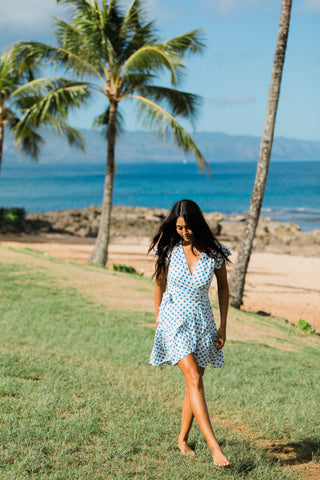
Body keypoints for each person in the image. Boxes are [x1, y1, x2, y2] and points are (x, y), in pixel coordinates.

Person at [148, 199, 231, 467]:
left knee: (191, 384)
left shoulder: (214, 253)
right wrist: (159, 316)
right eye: (179, 227)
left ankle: (182, 439)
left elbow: (224, 290)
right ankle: (214, 447)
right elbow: (159, 284)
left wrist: (223, 325)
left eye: (187, 227)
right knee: (194, 377)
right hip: (174, 319)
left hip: (203, 321)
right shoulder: (170, 251)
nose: (183, 232)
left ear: (197, 223)